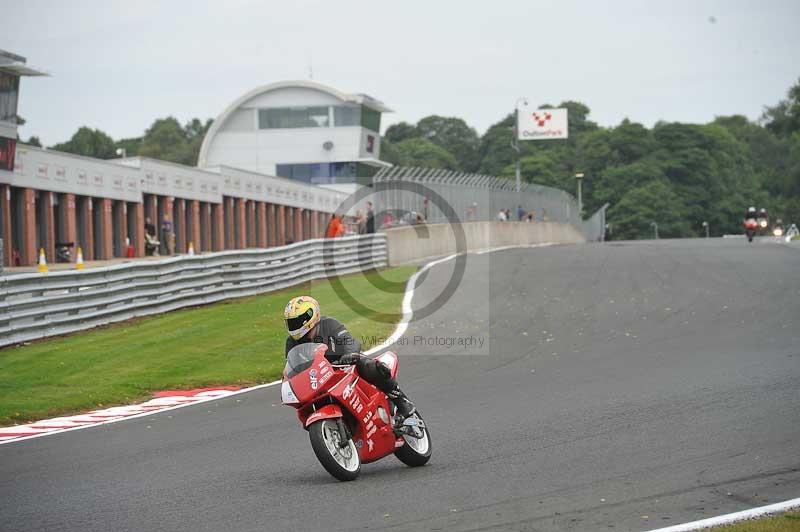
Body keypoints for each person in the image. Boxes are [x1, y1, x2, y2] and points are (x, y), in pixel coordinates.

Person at [284, 296, 416, 419]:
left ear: (309, 317)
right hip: (320, 377)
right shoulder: (291, 342)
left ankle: (400, 400)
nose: (294, 326)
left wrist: (350, 354)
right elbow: (294, 367)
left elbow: (348, 340)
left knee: (369, 366)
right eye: (291, 322)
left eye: (296, 321)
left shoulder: (329, 324)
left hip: (345, 365)